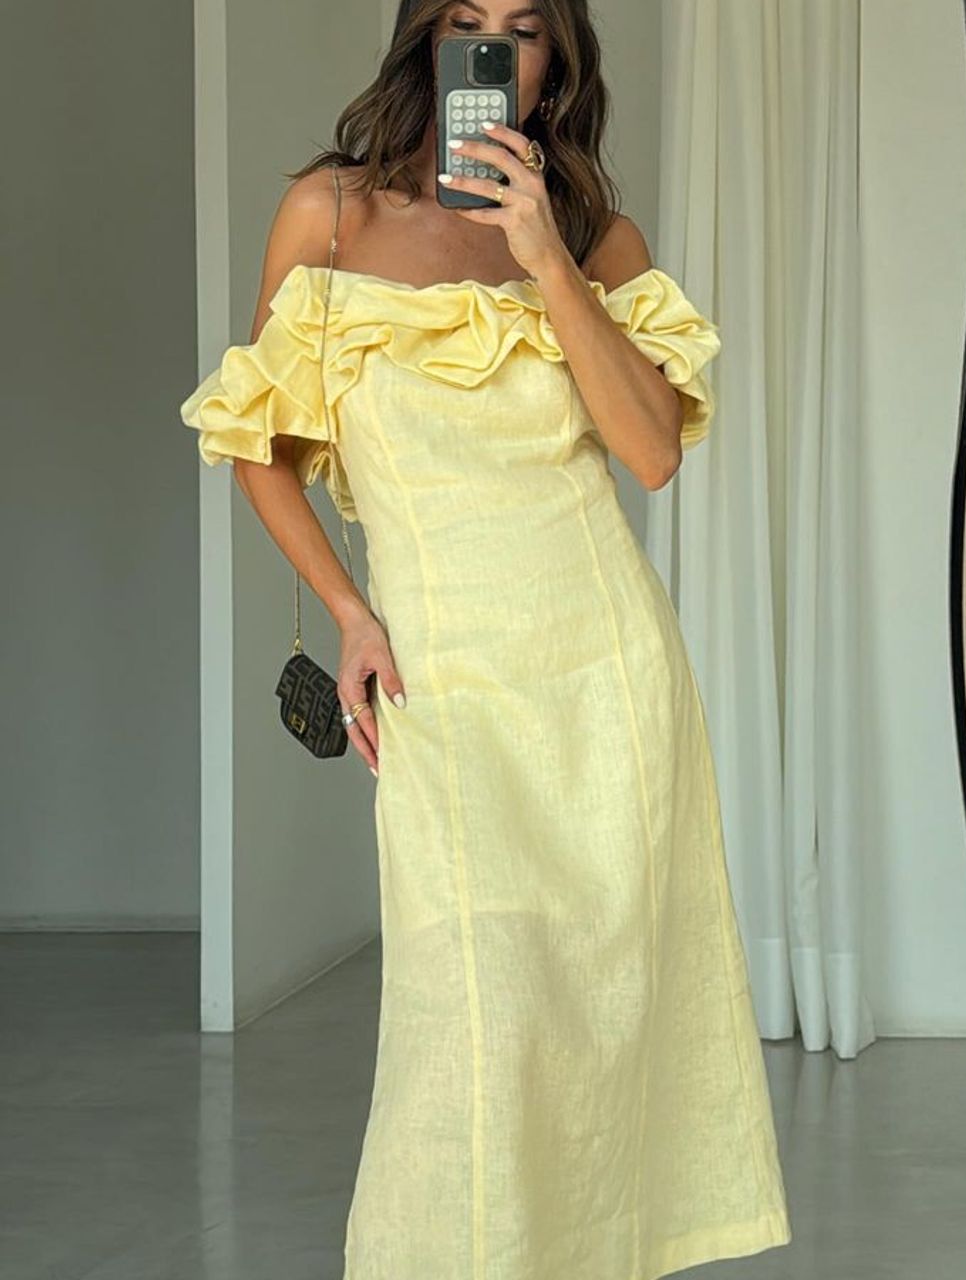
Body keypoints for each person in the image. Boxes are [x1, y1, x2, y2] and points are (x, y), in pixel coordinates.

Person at [180, 2, 793, 1276]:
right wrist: (348, 611)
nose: (494, 49)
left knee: (601, 1028)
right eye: (467, 20)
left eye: (523, 27)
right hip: (443, 683)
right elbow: (256, 442)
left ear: (555, 61)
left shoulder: (595, 237)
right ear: (427, 40)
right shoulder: (328, 216)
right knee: (471, 1027)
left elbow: (652, 453)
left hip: (605, 678)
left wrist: (546, 260)